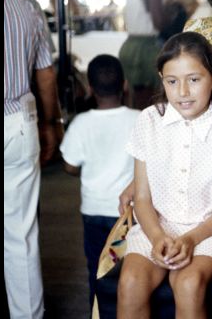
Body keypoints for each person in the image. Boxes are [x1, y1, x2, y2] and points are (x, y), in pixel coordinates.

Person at [117, 32, 212, 318]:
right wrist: (157, 237)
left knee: (189, 283)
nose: (182, 91)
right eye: (172, 81)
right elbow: (142, 197)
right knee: (131, 281)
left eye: (194, 80)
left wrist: (191, 239)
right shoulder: (148, 121)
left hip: (210, 229)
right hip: (158, 223)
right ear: (162, 79)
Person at [4, 0, 65, 319]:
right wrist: (51, 123)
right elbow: (44, 76)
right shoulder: (28, 12)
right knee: (21, 232)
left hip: (18, 121)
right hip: (18, 124)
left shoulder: (31, 10)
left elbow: (46, 74)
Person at [59, 55, 140, 307]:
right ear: (125, 85)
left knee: (97, 268)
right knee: (130, 270)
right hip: (130, 213)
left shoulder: (81, 124)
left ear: (91, 89)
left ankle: (99, 311)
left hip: (93, 211)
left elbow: (70, 165)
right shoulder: (140, 118)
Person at [119, 0, 175, 110]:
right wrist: (177, 6)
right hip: (146, 49)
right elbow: (158, 22)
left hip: (129, 45)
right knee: (153, 104)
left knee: (135, 101)